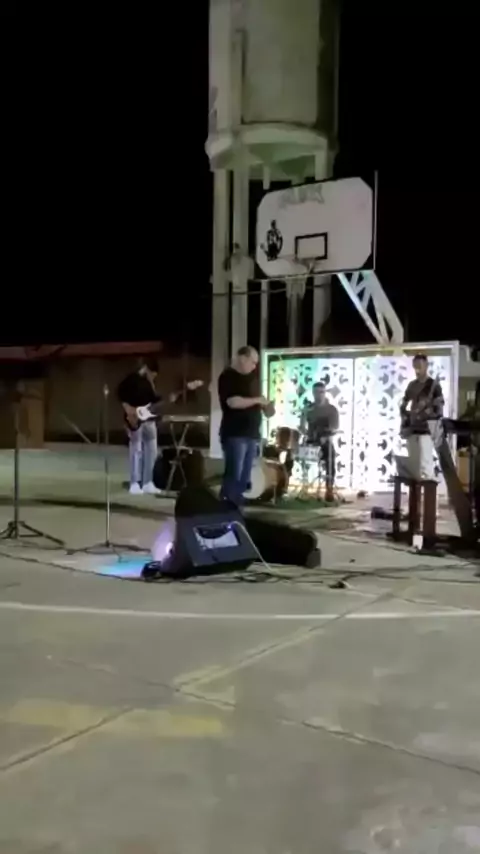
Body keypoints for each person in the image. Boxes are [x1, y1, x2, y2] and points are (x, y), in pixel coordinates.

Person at [218, 346, 273, 505]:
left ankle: (236, 504)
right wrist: (256, 400)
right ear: (242, 358)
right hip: (235, 433)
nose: (254, 366)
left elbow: (260, 402)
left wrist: (267, 406)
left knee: (245, 477)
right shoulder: (227, 376)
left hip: (252, 433)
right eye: (253, 362)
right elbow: (232, 402)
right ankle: (227, 504)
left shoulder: (253, 379)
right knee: (234, 473)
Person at [117, 357, 166, 495]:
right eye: (152, 374)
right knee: (136, 450)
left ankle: (147, 482)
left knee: (152, 449)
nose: (153, 377)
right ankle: (134, 482)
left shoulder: (149, 384)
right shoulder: (131, 379)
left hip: (149, 419)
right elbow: (120, 394)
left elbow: (153, 400)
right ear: (146, 369)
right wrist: (128, 409)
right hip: (135, 419)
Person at [400, 354, 444, 480]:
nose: (417, 369)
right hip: (412, 429)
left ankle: (429, 490)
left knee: (426, 464)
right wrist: (406, 418)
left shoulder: (433, 386)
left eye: (420, 366)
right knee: (413, 466)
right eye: (415, 366)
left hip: (426, 430)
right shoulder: (411, 386)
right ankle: (415, 491)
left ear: (426, 366)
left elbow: (439, 408)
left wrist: (427, 413)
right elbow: (403, 405)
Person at [300, 382, 339, 500]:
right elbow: (302, 427)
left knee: (330, 456)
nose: (319, 395)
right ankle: (303, 486)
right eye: (316, 392)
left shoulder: (332, 410)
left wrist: (325, 437)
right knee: (297, 452)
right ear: (313, 393)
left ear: (325, 393)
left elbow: (335, 428)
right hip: (311, 441)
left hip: (325, 441)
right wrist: (303, 427)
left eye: (321, 392)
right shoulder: (308, 409)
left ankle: (329, 488)